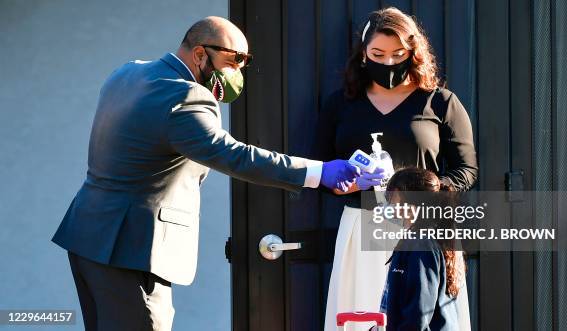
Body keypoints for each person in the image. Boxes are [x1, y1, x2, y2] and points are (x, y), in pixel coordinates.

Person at [51, 17, 362, 331]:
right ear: (199, 53)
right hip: (131, 249)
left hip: (88, 237)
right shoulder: (185, 96)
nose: (238, 72)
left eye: (244, 62)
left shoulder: (128, 72)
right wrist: (319, 172)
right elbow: (234, 155)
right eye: (232, 61)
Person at [310, 7, 477, 331]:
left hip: (423, 230)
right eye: (378, 53)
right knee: (360, 318)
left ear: (414, 53)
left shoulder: (440, 102)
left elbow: (466, 171)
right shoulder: (340, 105)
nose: (388, 62)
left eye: (398, 54)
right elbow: (317, 167)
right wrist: (347, 184)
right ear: (363, 53)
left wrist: (422, 189)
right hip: (362, 226)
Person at [377, 166, 471, 330]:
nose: (388, 201)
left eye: (393, 195)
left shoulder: (421, 243)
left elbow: (418, 313)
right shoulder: (426, 238)